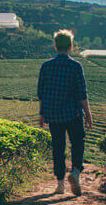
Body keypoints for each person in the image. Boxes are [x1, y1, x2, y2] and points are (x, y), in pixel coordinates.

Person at [37, 29, 93, 196]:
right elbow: (82, 94)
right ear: (71, 46)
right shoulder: (75, 66)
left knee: (58, 147)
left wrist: (41, 114)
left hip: (53, 115)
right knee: (78, 142)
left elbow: (41, 92)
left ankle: (60, 185)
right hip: (72, 114)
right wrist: (88, 115)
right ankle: (75, 172)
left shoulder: (46, 66)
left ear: (55, 47)